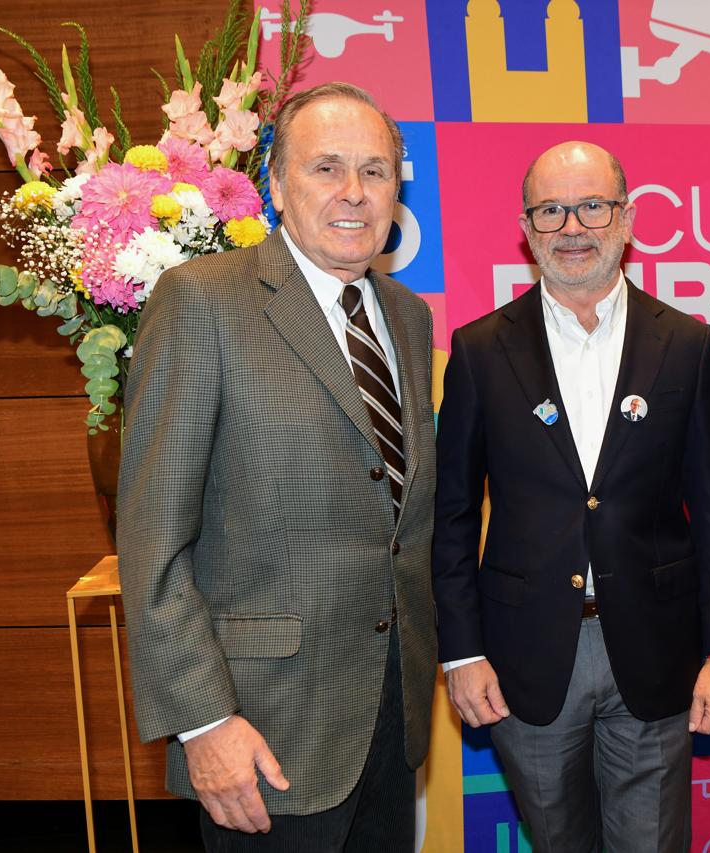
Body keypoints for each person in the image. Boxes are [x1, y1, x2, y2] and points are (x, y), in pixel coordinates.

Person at [118, 82, 437, 851]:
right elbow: (153, 539)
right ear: (277, 185)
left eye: (375, 170)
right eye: (326, 167)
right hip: (262, 729)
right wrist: (203, 720)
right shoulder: (201, 301)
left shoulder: (408, 316)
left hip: (392, 719)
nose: (355, 191)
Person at [432, 140, 710, 852]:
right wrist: (461, 653)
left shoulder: (686, 343)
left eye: (592, 207)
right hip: (525, 657)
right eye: (550, 210)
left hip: (658, 650)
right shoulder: (479, 351)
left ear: (627, 218)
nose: (572, 227)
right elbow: (449, 517)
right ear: (526, 227)